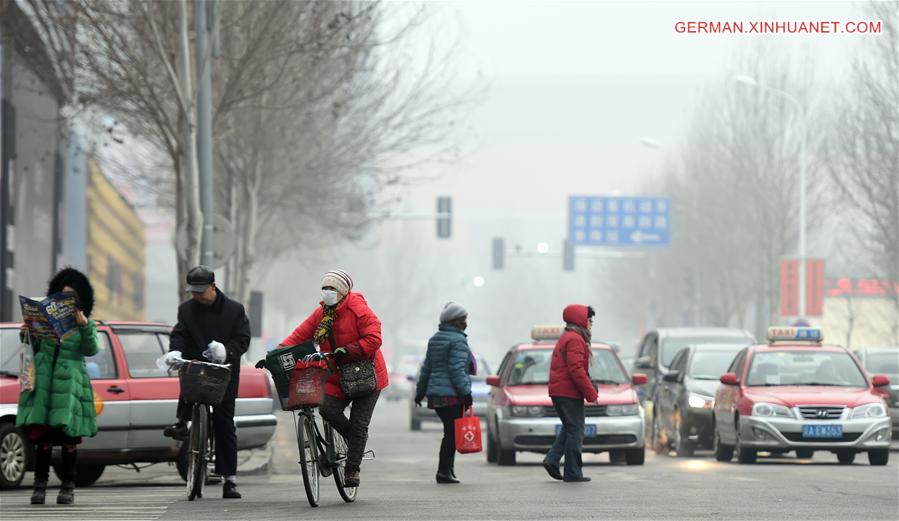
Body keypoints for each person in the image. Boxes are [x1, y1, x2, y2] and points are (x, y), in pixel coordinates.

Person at [279, 269, 387, 488]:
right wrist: (278, 353)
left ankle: (352, 468)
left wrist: (349, 350)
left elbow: (374, 338)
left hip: (367, 375)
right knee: (327, 409)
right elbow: (300, 335)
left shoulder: (359, 310)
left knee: (358, 423)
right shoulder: (322, 314)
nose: (328, 292)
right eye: (325, 288)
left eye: (332, 288)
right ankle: (356, 441)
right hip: (338, 375)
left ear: (343, 291)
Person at [163, 266, 251, 499]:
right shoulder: (186, 310)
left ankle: (229, 480)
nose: (197, 296)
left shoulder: (234, 310)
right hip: (197, 367)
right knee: (188, 385)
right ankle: (181, 422)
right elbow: (179, 333)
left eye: (201, 291)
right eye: (194, 292)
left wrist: (227, 351)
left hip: (225, 373)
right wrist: (175, 351)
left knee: (224, 424)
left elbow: (243, 340)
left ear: (213, 286)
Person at [17, 268, 99, 505]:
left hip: (70, 387)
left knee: (68, 439)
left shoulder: (85, 324)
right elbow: (35, 347)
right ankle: (39, 486)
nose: (65, 301)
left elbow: (90, 350)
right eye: (62, 295)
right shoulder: (47, 321)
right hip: (44, 383)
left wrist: (83, 326)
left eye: (71, 297)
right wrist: (27, 332)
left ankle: (68, 486)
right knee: (42, 439)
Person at [415, 302, 473, 484]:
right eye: (464, 320)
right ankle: (443, 471)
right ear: (456, 321)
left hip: (436, 396)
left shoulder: (435, 339)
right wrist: (466, 393)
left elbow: (426, 369)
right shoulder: (458, 341)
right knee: (451, 434)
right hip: (452, 396)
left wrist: (420, 392)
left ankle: (448, 469)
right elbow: (457, 370)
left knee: (450, 432)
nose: (466, 323)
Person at [542, 304, 598, 483]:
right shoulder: (575, 339)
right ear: (581, 320)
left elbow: (577, 367)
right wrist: (591, 393)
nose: (590, 324)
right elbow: (576, 369)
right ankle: (573, 472)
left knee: (570, 427)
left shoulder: (570, 336)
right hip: (568, 393)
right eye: (589, 320)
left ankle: (552, 459)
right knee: (576, 431)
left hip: (562, 391)